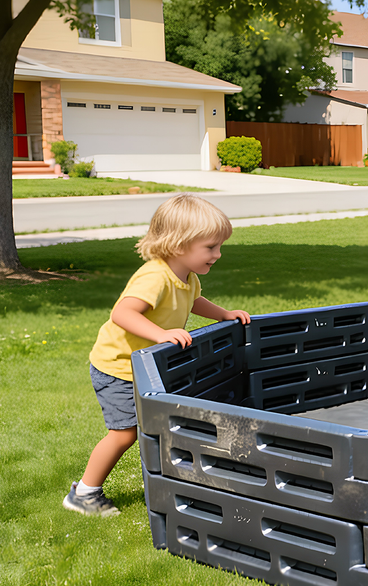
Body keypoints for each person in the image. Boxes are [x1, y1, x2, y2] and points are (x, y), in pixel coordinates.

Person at [66, 194, 251, 516]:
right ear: (180, 245)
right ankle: (84, 492)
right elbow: (122, 313)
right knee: (124, 434)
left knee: (164, 425)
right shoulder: (155, 276)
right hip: (118, 367)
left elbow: (194, 302)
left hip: (148, 366)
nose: (218, 254)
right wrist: (161, 335)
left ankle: (176, 480)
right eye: (211, 247)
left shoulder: (186, 276)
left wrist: (223, 314)